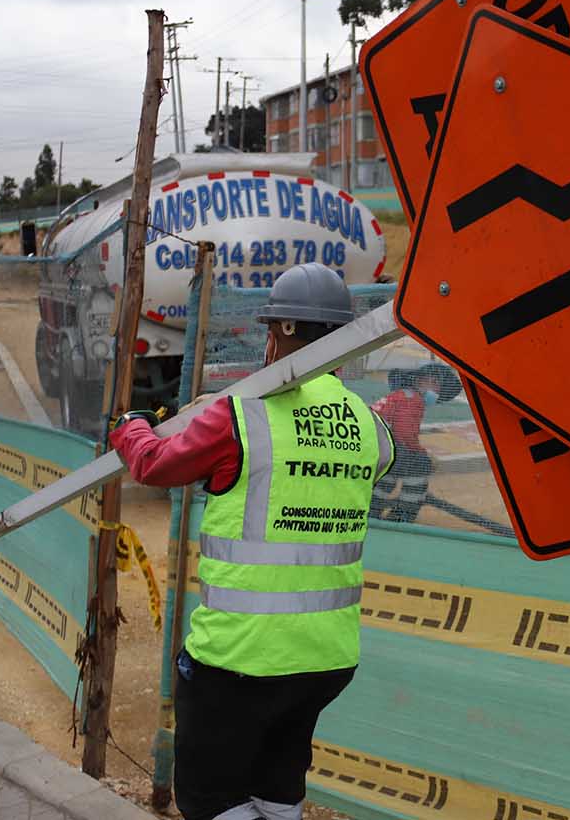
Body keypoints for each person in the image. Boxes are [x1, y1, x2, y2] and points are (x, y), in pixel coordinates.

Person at [109, 263, 394, 820]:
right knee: (278, 787)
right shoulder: (369, 425)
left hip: (241, 661)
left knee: (209, 799)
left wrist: (129, 424)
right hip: (325, 660)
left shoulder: (241, 415)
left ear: (281, 331)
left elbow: (154, 462)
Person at [369, 364, 454, 522]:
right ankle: (405, 512)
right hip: (382, 445)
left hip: (375, 446)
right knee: (420, 464)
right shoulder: (413, 400)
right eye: (436, 385)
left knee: (390, 472)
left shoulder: (401, 395)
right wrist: (424, 454)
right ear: (424, 381)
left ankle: (372, 507)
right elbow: (405, 435)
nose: (438, 391)